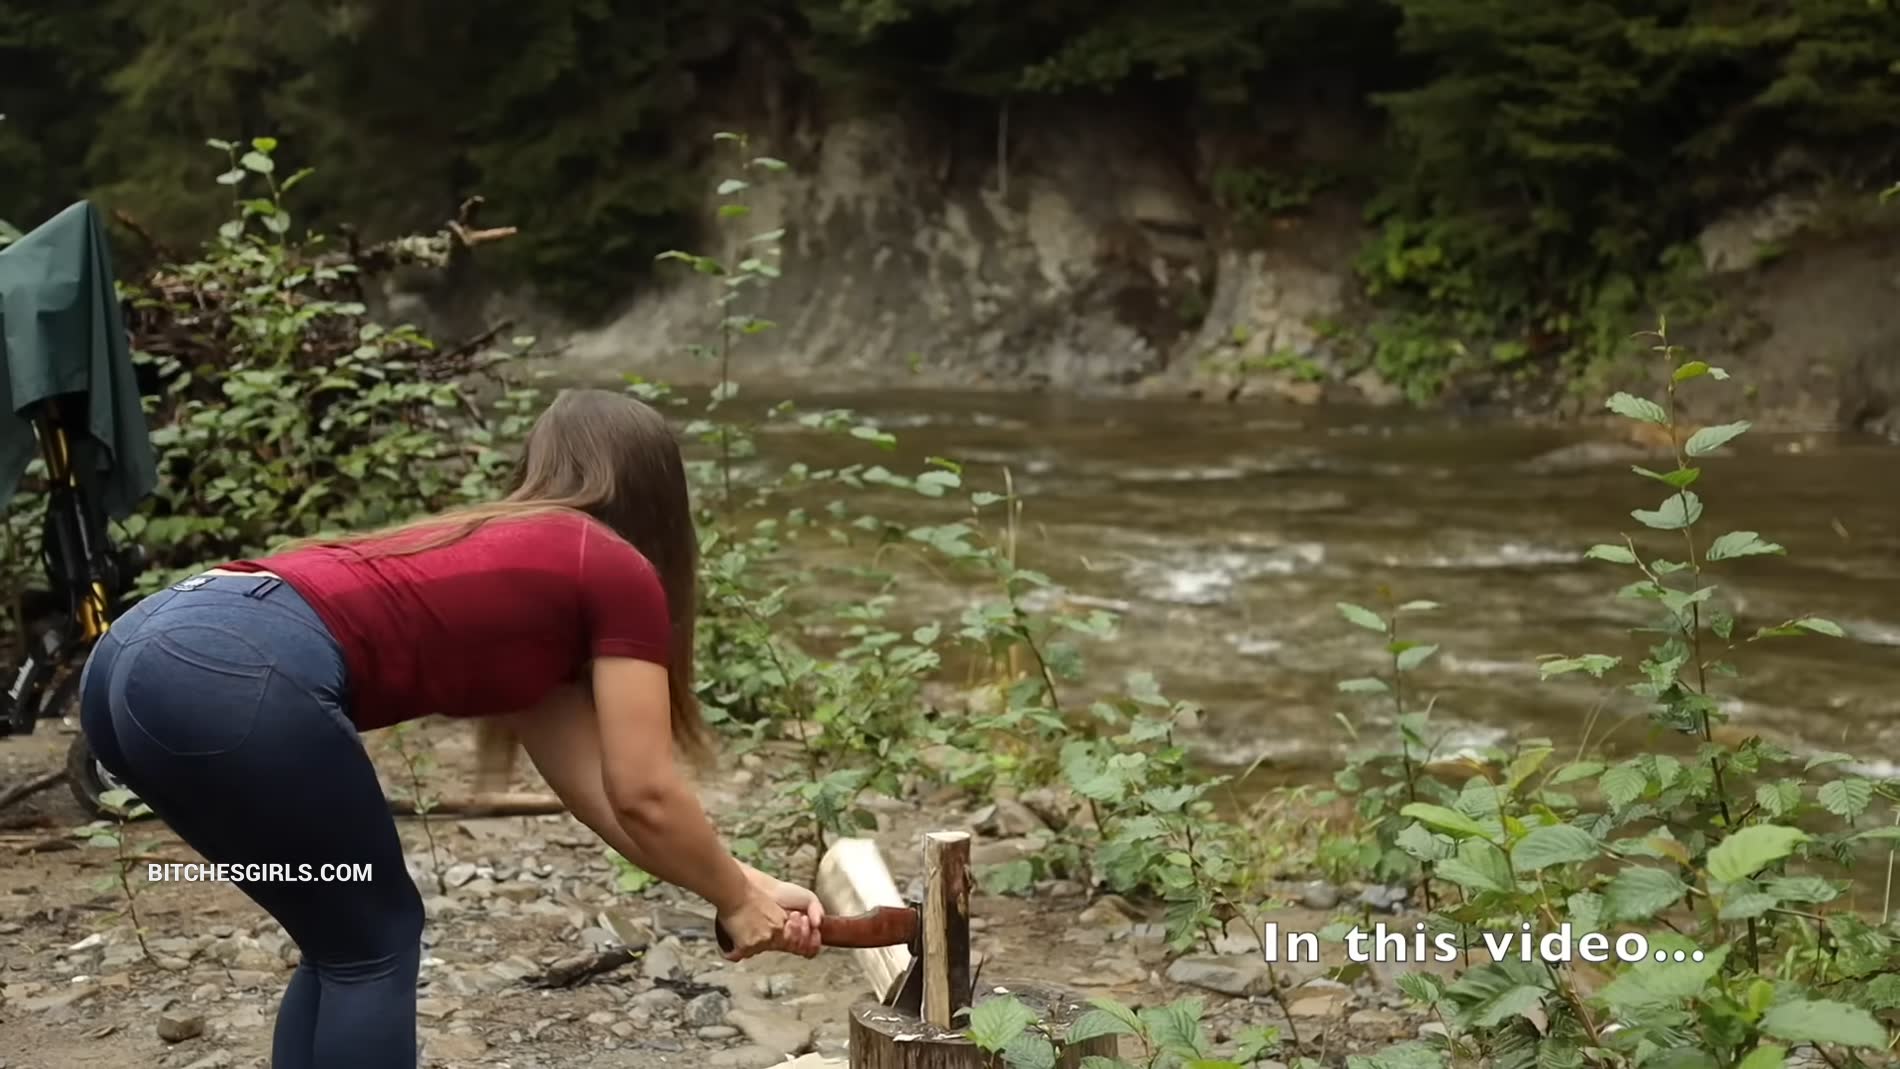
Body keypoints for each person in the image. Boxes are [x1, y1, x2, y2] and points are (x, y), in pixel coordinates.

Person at [76, 388, 824, 1069]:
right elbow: (645, 791)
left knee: (342, 940)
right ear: (662, 495)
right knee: (373, 944)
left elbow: (604, 795)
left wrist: (740, 883)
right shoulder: (614, 564)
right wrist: (735, 899)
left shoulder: (505, 556)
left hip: (131, 655)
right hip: (223, 668)